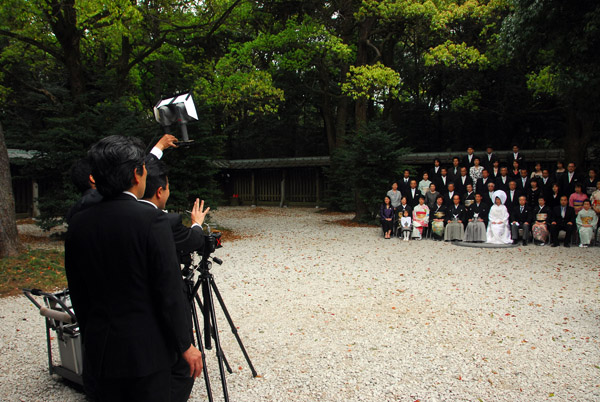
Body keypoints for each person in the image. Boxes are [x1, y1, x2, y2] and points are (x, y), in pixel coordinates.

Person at [65, 136, 204, 402]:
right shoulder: (152, 221)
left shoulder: (79, 223)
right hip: (145, 353)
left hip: (99, 350)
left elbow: (78, 292)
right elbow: (169, 290)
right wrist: (184, 344)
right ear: (137, 174)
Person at [140, 158, 208, 402]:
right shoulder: (164, 222)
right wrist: (197, 225)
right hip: (154, 316)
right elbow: (192, 241)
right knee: (181, 368)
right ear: (160, 191)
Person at [65, 134, 178, 224]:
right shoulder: (146, 218)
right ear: (93, 178)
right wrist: (159, 148)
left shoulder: (76, 215)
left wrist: (159, 147)